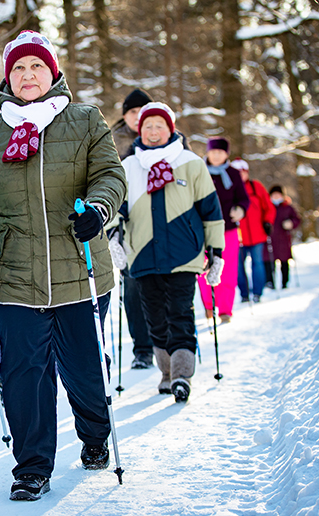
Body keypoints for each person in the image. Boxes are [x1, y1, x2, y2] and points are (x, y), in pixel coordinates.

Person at [0, 30, 127, 501]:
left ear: (53, 72)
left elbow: (110, 176)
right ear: (7, 77)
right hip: (13, 277)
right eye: (18, 68)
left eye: (37, 66)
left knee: (84, 370)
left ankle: (95, 435)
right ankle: (31, 467)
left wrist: (98, 209)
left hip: (79, 269)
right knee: (23, 376)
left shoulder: (85, 120)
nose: (28, 75)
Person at [116, 102, 224, 401]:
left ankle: (181, 376)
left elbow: (211, 211)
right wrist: (113, 239)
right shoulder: (128, 166)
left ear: (170, 129)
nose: (153, 131)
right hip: (143, 254)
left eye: (159, 126)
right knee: (155, 319)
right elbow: (116, 209)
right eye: (147, 126)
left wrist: (216, 251)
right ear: (140, 130)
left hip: (184, 254)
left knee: (180, 313)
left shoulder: (191, 163)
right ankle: (166, 372)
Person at [110, 88, 155, 369]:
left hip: (163, 221)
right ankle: (143, 349)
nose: (138, 116)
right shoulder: (111, 140)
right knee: (134, 286)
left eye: (143, 111)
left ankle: (169, 343)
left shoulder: (168, 136)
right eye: (133, 112)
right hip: (129, 221)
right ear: (125, 115)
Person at [196, 137, 249, 323]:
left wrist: (240, 209)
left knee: (227, 269)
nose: (216, 155)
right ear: (208, 152)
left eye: (220, 152)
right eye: (213, 152)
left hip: (228, 229)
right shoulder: (198, 170)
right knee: (203, 268)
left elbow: (243, 198)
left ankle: (225, 309)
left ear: (226, 154)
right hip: (203, 228)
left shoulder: (233, 173)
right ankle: (209, 305)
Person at [231, 159, 275, 303]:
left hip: (257, 234)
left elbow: (269, 207)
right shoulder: (229, 189)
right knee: (238, 266)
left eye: (243, 172)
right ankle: (244, 293)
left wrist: (268, 222)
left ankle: (257, 292)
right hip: (239, 236)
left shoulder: (256, 187)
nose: (240, 175)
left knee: (257, 263)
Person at [264, 185, 301, 289]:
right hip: (270, 239)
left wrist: (291, 223)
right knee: (269, 261)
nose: (276, 197)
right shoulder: (266, 207)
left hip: (283, 238)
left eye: (278, 194)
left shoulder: (287, 207)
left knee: (284, 261)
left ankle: (285, 282)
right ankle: (270, 282)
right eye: (274, 195)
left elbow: (297, 219)